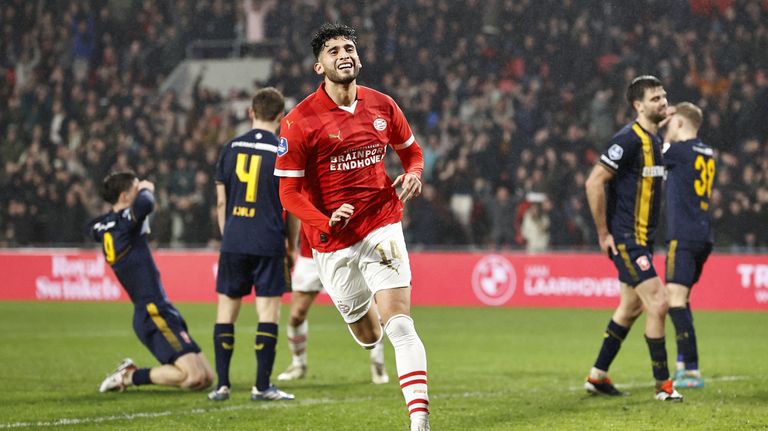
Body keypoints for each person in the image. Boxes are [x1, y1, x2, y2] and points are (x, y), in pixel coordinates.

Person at [274, 23, 431, 431]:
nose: (343, 54)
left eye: (349, 47)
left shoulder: (383, 105)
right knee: (369, 335)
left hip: (382, 222)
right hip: (331, 242)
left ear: (358, 58)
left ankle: (419, 420)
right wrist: (326, 220)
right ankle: (370, 320)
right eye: (333, 50)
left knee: (400, 322)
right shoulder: (298, 122)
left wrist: (414, 173)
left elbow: (412, 153)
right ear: (318, 66)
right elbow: (289, 196)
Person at [583, 75, 682, 401]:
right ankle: (664, 387)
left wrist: (672, 115)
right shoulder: (627, 140)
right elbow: (594, 182)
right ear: (638, 106)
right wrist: (603, 234)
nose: (663, 102)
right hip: (627, 238)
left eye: (664, 96)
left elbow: (670, 116)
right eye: (655, 98)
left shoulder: (654, 139)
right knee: (659, 302)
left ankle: (597, 377)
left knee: (630, 307)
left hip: (644, 240)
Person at [207, 87, 299, 402]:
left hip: (234, 240)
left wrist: (228, 234)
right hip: (269, 241)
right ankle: (261, 386)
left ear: (251, 113)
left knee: (226, 311)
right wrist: (291, 247)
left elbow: (221, 204)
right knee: (268, 312)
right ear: (281, 117)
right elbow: (293, 206)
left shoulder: (229, 148)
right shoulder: (283, 151)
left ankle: (222, 385)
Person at [92, 172, 214, 393]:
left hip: (162, 308)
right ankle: (128, 376)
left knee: (207, 378)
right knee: (193, 378)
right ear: (124, 196)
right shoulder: (125, 224)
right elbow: (147, 202)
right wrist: (147, 188)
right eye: (135, 189)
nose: (140, 192)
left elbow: (97, 227)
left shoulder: (108, 224)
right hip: (151, 311)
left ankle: (131, 374)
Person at [276, 228, 389, 384]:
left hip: (348, 250)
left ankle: (378, 362)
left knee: (368, 309)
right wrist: (289, 247)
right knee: (296, 315)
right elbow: (293, 212)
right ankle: (298, 364)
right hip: (311, 255)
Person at [662, 102, 714, 389]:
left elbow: (653, 155)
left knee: (675, 300)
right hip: (703, 236)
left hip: (682, 236)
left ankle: (691, 369)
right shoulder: (707, 152)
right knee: (683, 297)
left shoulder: (679, 152)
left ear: (680, 123)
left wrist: (663, 131)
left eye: (671, 122)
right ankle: (683, 362)